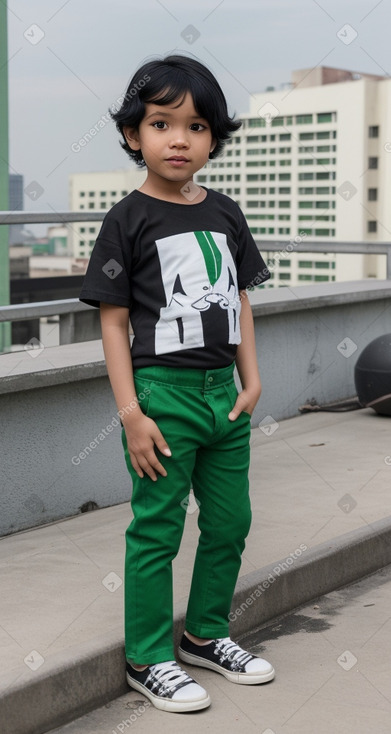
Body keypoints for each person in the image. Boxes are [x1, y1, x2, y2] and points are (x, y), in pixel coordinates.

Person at [79, 53, 274, 713]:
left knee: (230, 521)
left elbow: (239, 299)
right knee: (157, 528)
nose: (178, 139)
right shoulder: (126, 220)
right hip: (160, 396)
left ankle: (204, 634)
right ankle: (148, 657)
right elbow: (111, 324)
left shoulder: (224, 211)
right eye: (160, 123)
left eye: (194, 126)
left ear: (213, 137)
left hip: (226, 395)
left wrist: (249, 381)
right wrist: (131, 412)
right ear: (134, 134)